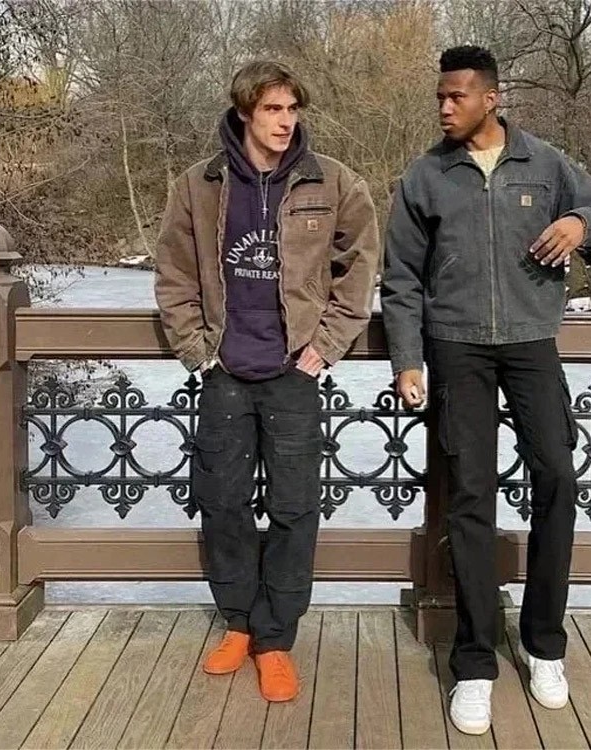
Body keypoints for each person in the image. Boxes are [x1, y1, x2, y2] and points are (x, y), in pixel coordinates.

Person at [381, 45, 591, 735]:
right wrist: (407, 359)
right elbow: (400, 278)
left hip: (530, 343)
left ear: (490, 98)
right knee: (470, 496)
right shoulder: (425, 176)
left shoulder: (545, 164)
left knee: (557, 478)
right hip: (455, 347)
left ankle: (544, 644)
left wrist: (582, 224)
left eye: (456, 96)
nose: (444, 107)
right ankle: (472, 661)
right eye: (439, 96)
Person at [155, 60, 379, 702]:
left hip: (293, 372)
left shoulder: (333, 180)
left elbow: (362, 263)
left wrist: (327, 343)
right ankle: (237, 623)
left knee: (293, 507)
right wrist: (197, 350)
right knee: (222, 502)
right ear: (245, 113)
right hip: (225, 370)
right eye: (272, 110)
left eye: (292, 109)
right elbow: (173, 273)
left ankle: (275, 637)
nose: (285, 122)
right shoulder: (198, 185)